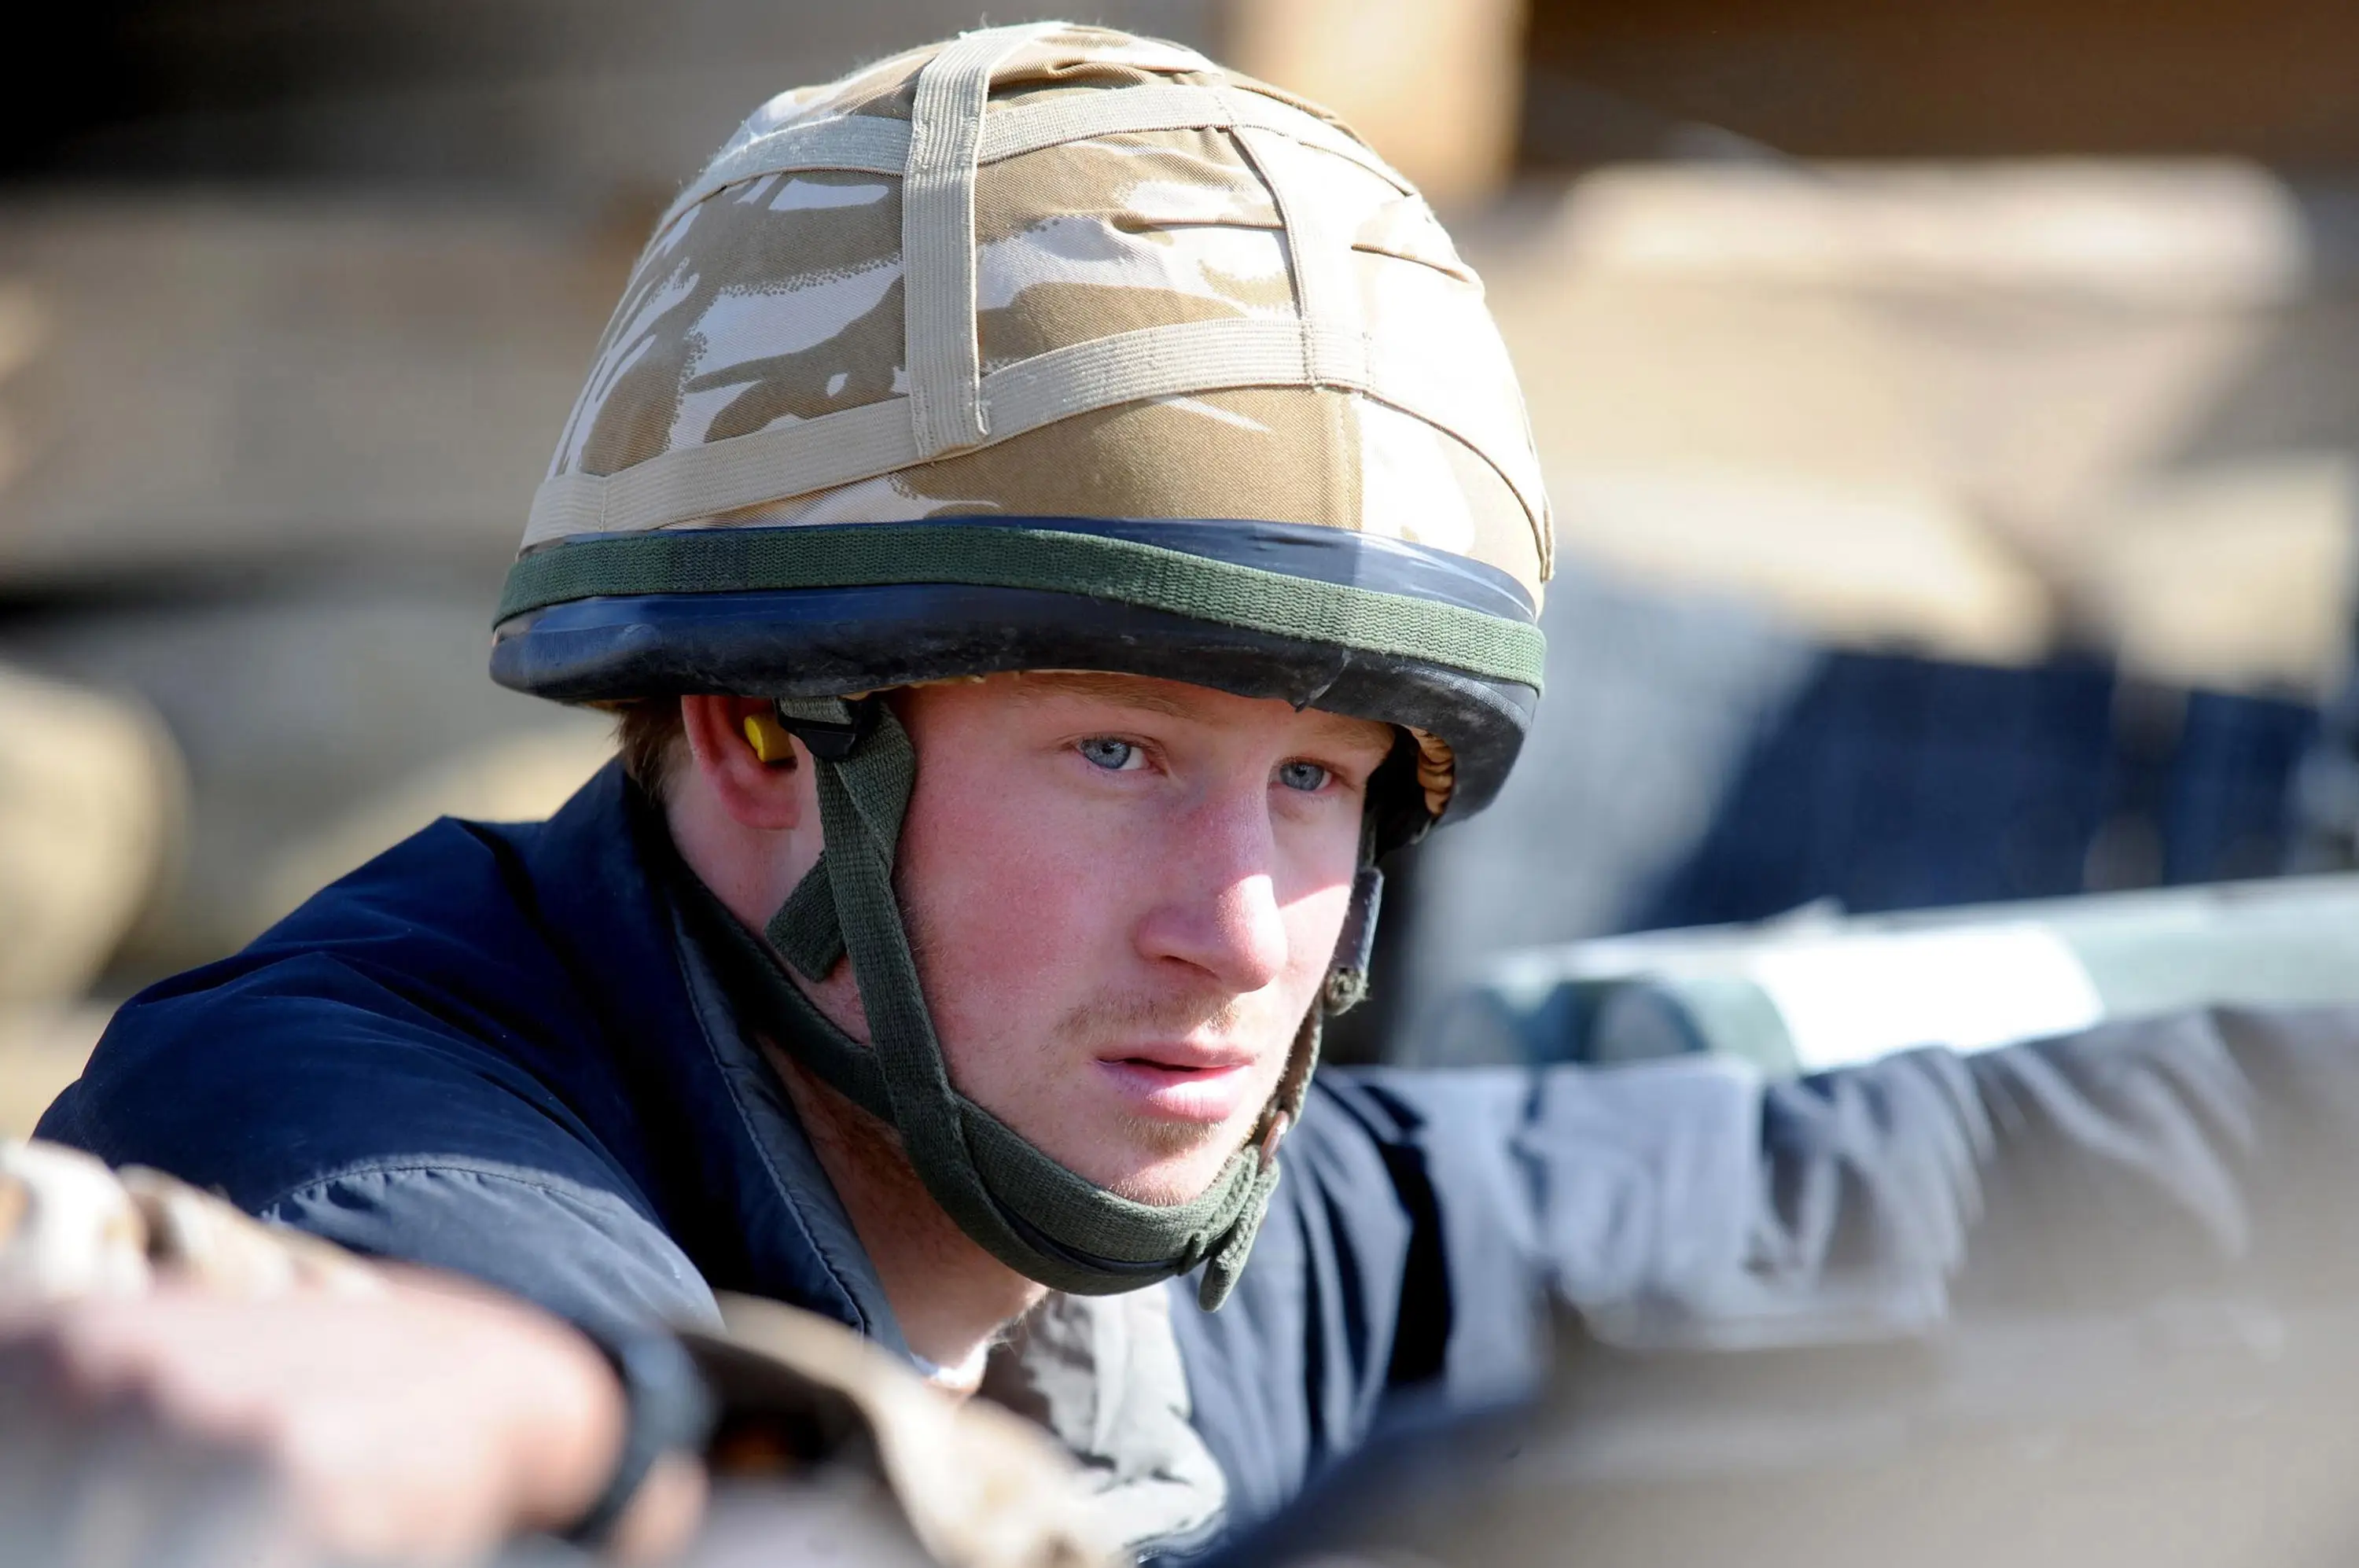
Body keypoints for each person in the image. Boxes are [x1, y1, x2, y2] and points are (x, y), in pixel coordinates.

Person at [28, 21, 2359, 1562]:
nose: (1245, 928)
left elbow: (1912, 1184)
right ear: (753, 740)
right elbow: (576, 1424)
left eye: (1323, 780)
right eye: (1120, 754)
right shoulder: (346, 1142)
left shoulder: (1152, 1218)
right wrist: (612, 1447)